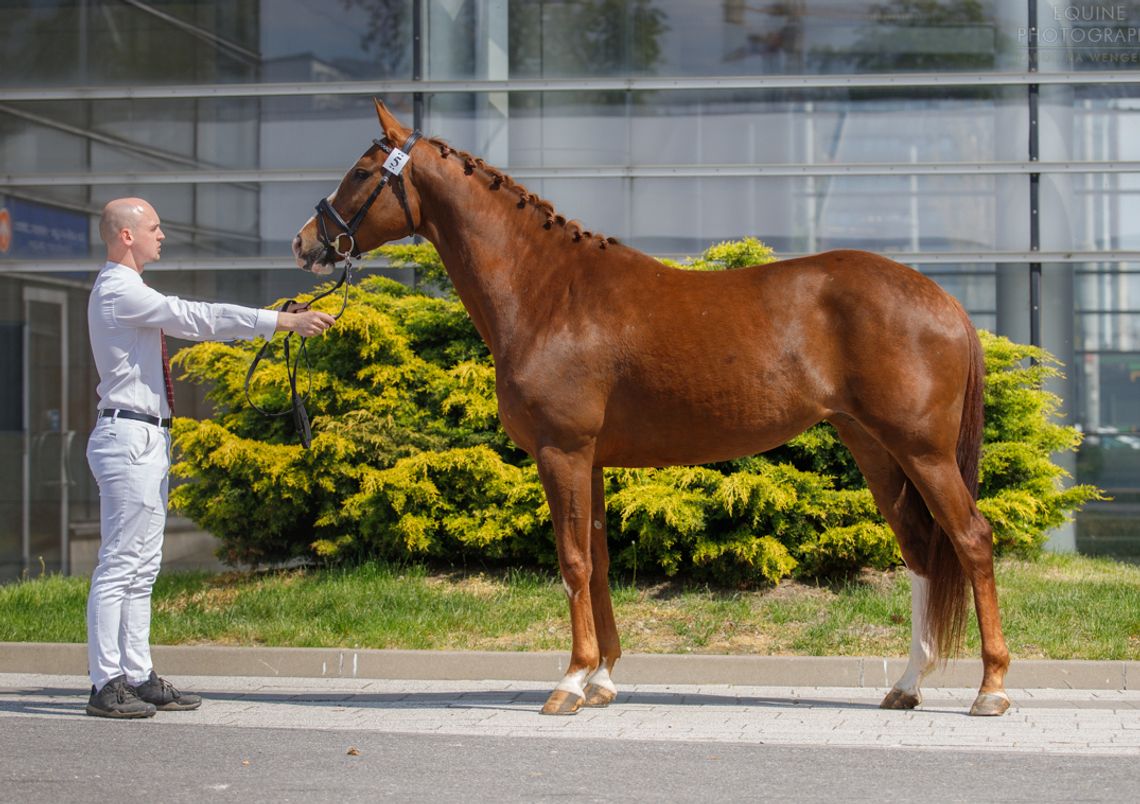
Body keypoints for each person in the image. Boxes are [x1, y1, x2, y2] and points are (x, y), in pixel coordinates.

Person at [85, 197, 335, 718]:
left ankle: (136, 674)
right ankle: (106, 681)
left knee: (143, 565)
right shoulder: (118, 290)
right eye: (154, 228)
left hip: (145, 438)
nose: (162, 235)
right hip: (129, 438)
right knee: (119, 565)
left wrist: (274, 319)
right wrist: (278, 324)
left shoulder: (130, 290)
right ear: (126, 236)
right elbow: (196, 317)